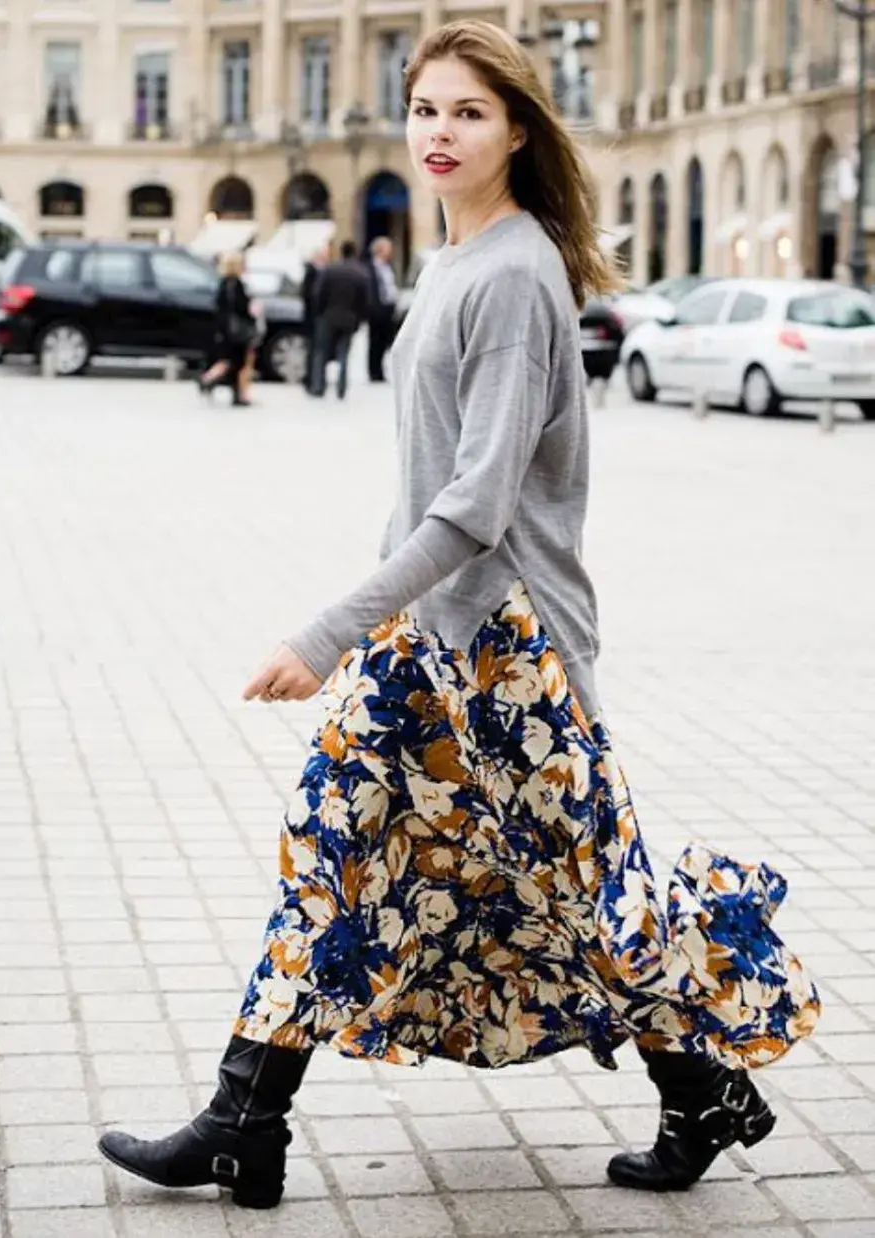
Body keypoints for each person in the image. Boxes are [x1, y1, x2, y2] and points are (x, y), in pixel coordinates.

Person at [98, 19, 821, 1210]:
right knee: (329, 852)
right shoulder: (458, 259)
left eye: (469, 113)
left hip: (510, 648)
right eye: (426, 108)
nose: (440, 131)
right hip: (425, 641)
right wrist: (377, 626)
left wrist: (323, 632)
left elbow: (477, 507)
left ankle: (704, 1085)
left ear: (518, 130)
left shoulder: (518, 273)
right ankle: (244, 1118)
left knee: (589, 892)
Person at [307, 240, 370, 399]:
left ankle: (318, 386)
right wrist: (359, 318)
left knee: (321, 352)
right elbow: (365, 300)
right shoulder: (360, 273)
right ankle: (341, 388)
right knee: (344, 354)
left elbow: (318, 294)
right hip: (349, 319)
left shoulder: (330, 270)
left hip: (328, 317)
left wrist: (320, 312)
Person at [197, 252, 256, 406]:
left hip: (225, 330)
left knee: (229, 361)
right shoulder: (237, 285)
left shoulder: (223, 284)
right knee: (236, 362)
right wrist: (252, 313)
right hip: (236, 332)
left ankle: (211, 381)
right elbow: (242, 308)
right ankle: (208, 380)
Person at [365, 235, 398, 381]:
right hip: (376, 309)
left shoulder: (388, 266)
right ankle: (373, 371)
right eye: (388, 248)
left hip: (388, 308)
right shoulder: (370, 267)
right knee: (375, 341)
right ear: (379, 250)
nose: (390, 251)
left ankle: (380, 370)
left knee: (385, 341)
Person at [300, 246, 328, 391]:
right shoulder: (312, 271)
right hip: (314, 317)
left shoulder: (321, 270)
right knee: (314, 349)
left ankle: (314, 380)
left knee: (316, 349)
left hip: (317, 317)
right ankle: (311, 380)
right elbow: (308, 295)